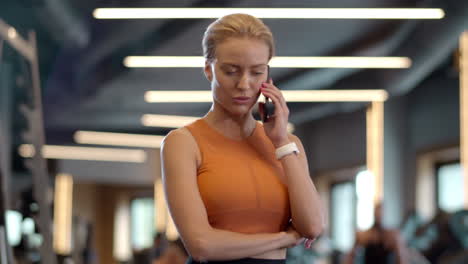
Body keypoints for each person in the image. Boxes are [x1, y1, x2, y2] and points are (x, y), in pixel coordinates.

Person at [161, 13, 324, 264]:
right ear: (208, 69)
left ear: (268, 75)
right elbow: (202, 245)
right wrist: (283, 239)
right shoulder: (183, 143)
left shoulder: (288, 144)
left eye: (256, 72)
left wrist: (280, 142)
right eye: (231, 71)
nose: (244, 84)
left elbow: (312, 226)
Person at [344, 203, 408, 264]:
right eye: (376, 212)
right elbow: (350, 257)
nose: (378, 214)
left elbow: (401, 258)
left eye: (380, 212)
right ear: (373, 213)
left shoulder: (392, 236)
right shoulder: (364, 235)